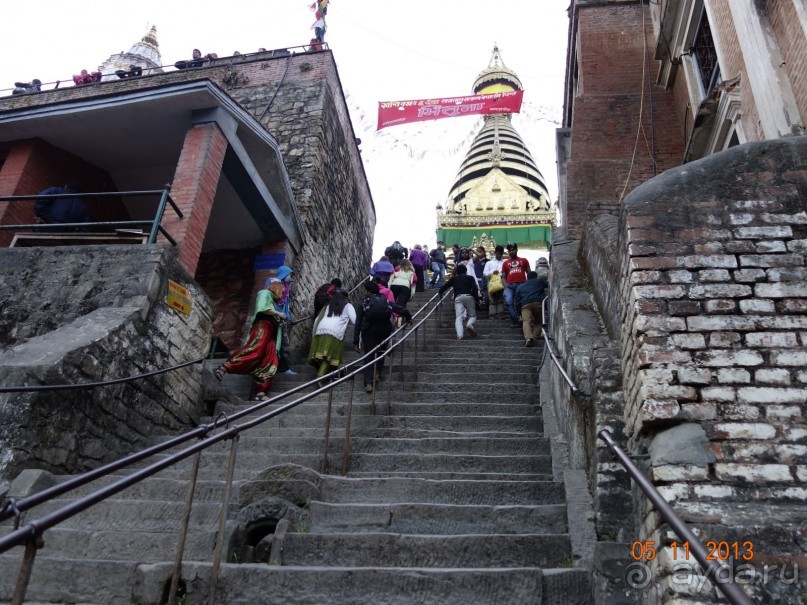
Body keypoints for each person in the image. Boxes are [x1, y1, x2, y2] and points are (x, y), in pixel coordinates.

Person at [213, 280, 286, 400]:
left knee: (271, 361)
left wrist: (279, 320)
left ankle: (261, 392)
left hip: (271, 333)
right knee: (255, 349)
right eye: (282, 292)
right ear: (276, 288)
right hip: (263, 327)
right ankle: (224, 367)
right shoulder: (265, 293)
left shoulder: (272, 302)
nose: (282, 295)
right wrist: (278, 314)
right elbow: (261, 308)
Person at [353, 281, 411, 393]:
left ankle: (369, 382)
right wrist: (408, 318)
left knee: (369, 356)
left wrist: (356, 340)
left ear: (368, 291)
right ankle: (377, 373)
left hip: (369, 331)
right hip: (385, 330)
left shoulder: (364, 302)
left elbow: (358, 322)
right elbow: (401, 309)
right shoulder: (385, 300)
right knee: (381, 352)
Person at [308, 288, 355, 382]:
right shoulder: (348, 306)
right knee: (329, 356)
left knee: (323, 355)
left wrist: (314, 335)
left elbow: (317, 319)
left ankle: (325, 374)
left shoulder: (328, 306)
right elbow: (355, 321)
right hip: (335, 333)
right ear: (346, 297)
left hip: (320, 331)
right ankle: (320, 377)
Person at [266, 265, 296, 374]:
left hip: (280, 320)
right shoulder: (272, 282)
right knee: (272, 342)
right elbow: (268, 298)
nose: (291, 278)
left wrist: (286, 318)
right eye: (289, 275)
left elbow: (286, 306)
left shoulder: (286, 289)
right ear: (284, 274)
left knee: (281, 345)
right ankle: (279, 367)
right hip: (271, 317)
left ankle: (281, 368)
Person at [439, 264, 480, 340]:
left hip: (458, 297)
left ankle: (460, 335)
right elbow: (475, 288)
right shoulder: (470, 278)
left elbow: (445, 287)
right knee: (472, 315)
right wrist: (476, 299)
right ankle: (469, 324)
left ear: (457, 272)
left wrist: (440, 292)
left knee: (458, 317)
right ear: (466, 271)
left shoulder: (454, 279)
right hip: (468, 296)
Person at [515, 271, 549, 347]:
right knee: (538, 322)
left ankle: (529, 339)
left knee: (526, 321)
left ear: (527, 277)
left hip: (525, 305)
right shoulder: (539, 282)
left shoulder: (521, 286)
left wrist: (518, 313)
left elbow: (517, 301)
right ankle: (534, 337)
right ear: (536, 276)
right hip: (538, 303)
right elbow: (549, 284)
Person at [501, 243, 531, 327]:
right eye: (509, 250)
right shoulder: (505, 263)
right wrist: (505, 285)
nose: (511, 252)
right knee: (508, 301)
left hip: (522, 284)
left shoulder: (524, 260)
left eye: (513, 249)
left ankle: (521, 319)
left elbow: (529, 273)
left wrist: (528, 284)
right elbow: (503, 276)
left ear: (517, 250)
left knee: (521, 302)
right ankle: (516, 319)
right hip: (510, 285)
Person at [483, 245, 506, 319]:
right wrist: (492, 273)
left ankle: (500, 314)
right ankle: (492, 315)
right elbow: (485, 273)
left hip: (501, 281)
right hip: (491, 282)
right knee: (492, 299)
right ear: (495, 253)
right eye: (498, 253)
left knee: (500, 298)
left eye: (501, 254)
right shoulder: (489, 263)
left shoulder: (505, 263)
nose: (500, 255)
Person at [473, 246, 489, 310]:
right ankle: (478, 307)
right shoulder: (474, 262)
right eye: (477, 251)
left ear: (484, 252)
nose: (478, 253)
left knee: (485, 294)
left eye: (480, 251)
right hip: (476, 280)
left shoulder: (487, 261)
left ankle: (487, 307)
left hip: (484, 281)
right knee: (477, 295)